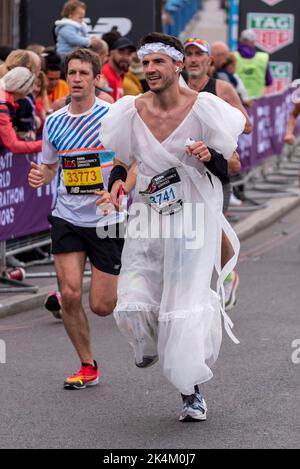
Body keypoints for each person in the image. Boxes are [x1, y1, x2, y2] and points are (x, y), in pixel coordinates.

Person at [100, 32, 245, 422]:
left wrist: (209, 154)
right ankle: (146, 342)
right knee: (132, 299)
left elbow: (232, 167)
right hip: (147, 215)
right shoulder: (130, 109)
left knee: (181, 308)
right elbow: (121, 159)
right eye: (145, 63)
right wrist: (115, 182)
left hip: (192, 220)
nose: (149, 70)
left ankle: (190, 392)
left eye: (157, 62)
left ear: (177, 65)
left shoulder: (205, 108)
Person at [28, 48, 124, 390]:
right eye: (73, 73)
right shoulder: (54, 121)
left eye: (85, 73)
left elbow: (132, 161)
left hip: (106, 216)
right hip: (67, 216)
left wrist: (117, 190)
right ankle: (87, 365)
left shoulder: (113, 116)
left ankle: (131, 284)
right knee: (69, 294)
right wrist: (43, 174)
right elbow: (52, 165)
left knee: (101, 305)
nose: (78, 79)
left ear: (97, 78)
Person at [184, 37, 253, 310]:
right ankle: (191, 288)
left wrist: (219, 124)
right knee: (187, 227)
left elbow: (246, 125)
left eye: (198, 54)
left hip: (215, 167)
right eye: (188, 54)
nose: (193, 59)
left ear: (209, 61)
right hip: (186, 168)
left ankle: (227, 277)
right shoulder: (175, 89)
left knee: (215, 225)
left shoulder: (221, 88)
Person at [0, 67, 42, 154]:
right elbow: (14, 145)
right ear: (24, 87)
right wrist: (46, 145)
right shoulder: (3, 107)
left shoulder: (7, 102)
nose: (33, 90)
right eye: (32, 85)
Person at [234, 29, 273, 98]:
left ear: (241, 41)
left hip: (237, 101)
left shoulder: (233, 57)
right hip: (256, 103)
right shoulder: (263, 58)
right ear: (253, 42)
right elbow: (269, 81)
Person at [102, 36, 136, 101]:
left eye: (129, 53)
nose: (125, 57)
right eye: (121, 52)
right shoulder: (105, 73)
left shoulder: (119, 76)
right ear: (111, 52)